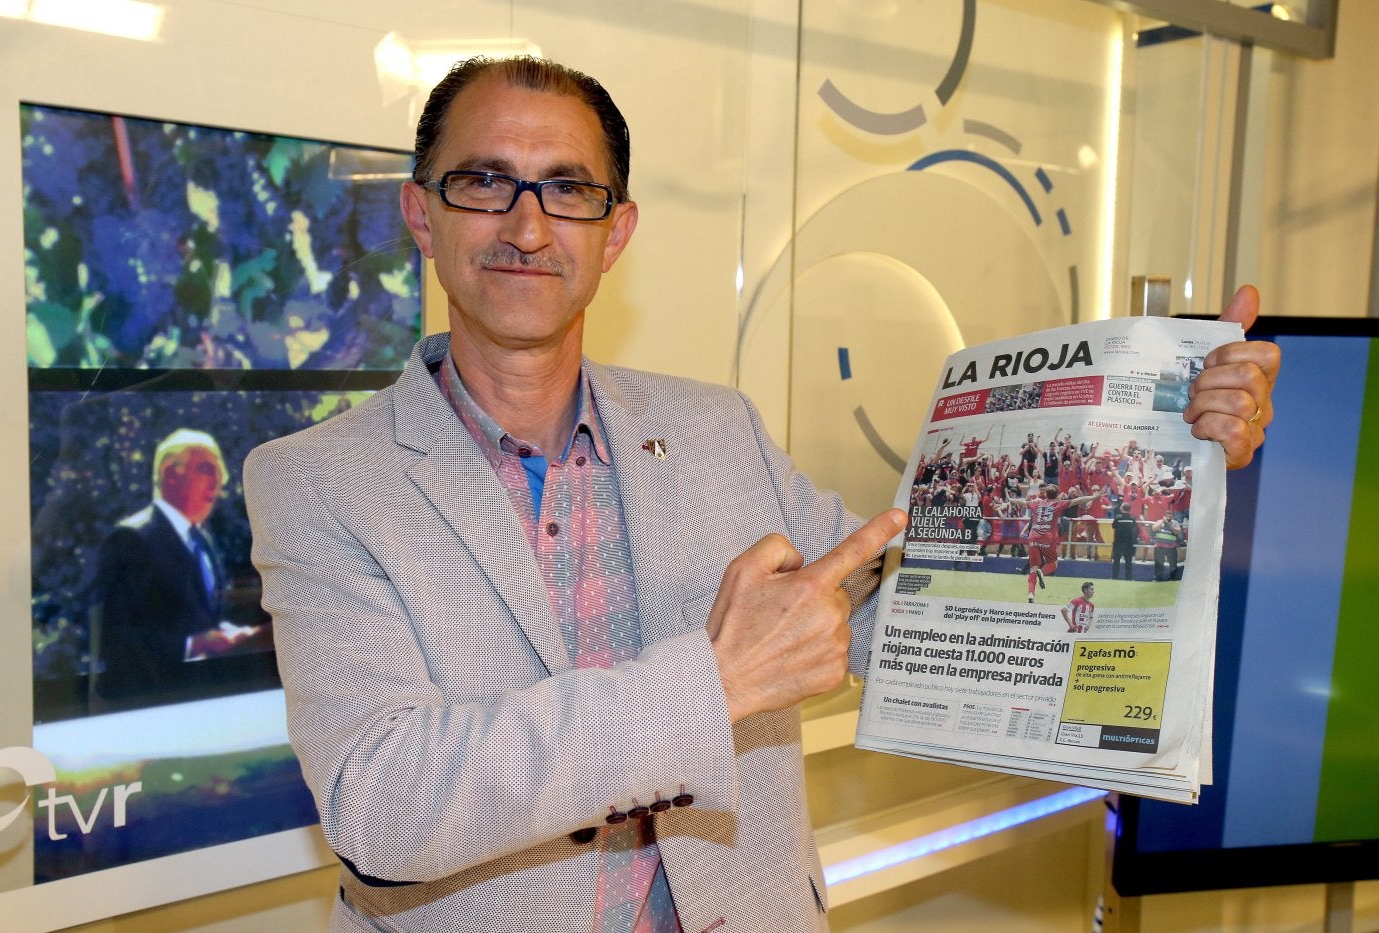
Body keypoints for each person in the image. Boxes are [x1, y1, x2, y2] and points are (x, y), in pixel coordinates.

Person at [242, 56, 1280, 933]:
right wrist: (715, 685)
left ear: (616, 232)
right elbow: (382, 807)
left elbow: (911, 623)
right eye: (484, 182)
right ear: (421, 216)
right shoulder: (318, 483)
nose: (527, 224)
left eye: (568, 188)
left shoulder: (713, 430)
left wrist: (1151, 460)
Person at [90, 428, 231, 700]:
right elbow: (112, 640)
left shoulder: (203, 542)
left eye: (220, 473)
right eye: (206, 469)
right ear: (170, 473)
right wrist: (193, 645)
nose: (217, 483)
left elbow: (196, 617)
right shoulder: (130, 539)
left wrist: (224, 636)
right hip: (150, 707)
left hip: (206, 700)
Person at [1004, 485, 1107, 603]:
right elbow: (1078, 500)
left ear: (1045, 494)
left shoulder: (1036, 503)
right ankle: (1042, 573)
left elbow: (1022, 502)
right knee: (1053, 563)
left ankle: (1031, 594)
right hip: (1047, 538)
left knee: (1033, 568)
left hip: (1033, 537)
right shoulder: (1058, 504)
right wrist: (1095, 496)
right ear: (1057, 495)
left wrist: (1010, 499)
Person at [1151, 514, 1184, 581]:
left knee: (1173, 565)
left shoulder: (1175, 523)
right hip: (1159, 547)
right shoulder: (1159, 521)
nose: (1168, 516)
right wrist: (1162, 522)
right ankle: (1158, 579)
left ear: (1172, 516)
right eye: (1167, 514)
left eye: (1170, 514)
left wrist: (1170, 524)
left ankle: (1173, 579)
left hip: (1171, 548)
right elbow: (1154, 529)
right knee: (1158, 565)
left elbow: (1177, 531)